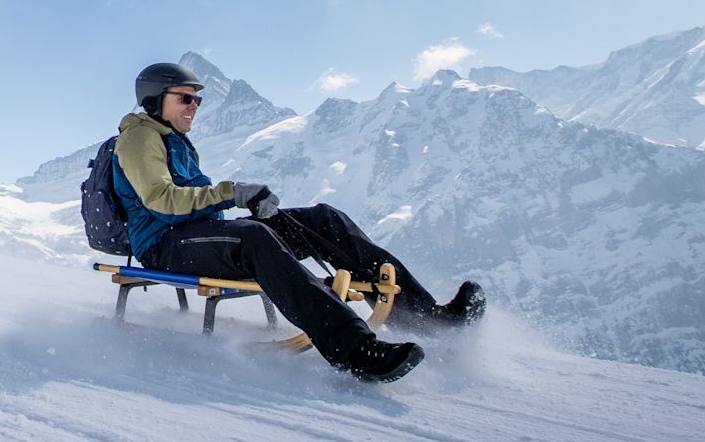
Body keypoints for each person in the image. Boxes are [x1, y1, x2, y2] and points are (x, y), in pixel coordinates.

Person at [113, 61, 484, 384]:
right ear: (154, 99)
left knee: (322, 219)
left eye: (198, 99)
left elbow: (193, 205)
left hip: (199, 236)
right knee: (254, 238)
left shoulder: (172, 138)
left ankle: (423, 316)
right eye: (185, 98)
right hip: (166, 245)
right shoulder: (140, 138)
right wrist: (233, 193)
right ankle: (354, 349)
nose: (194, 106)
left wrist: (248, 203)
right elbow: (161, 201)